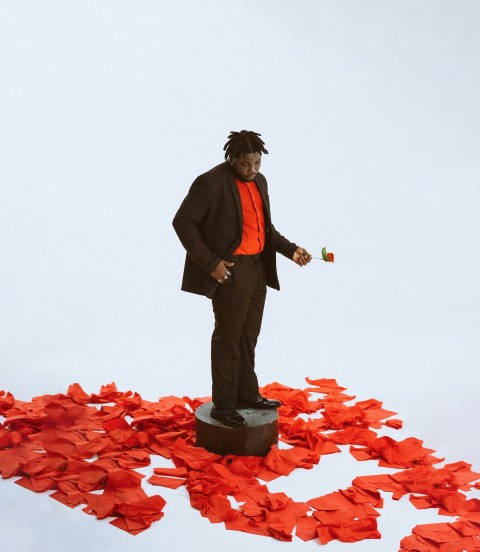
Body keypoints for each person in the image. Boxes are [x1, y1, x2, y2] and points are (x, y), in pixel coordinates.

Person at [173, 130, 311, 427]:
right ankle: (223, 405)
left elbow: (264, 228)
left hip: (258, 269)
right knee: (228, 340)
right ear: (232, 158)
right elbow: (183, 222)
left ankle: (247, 394)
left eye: (257, 163)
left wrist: (291, 250)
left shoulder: (260, 182)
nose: (252, 170)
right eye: (246, 164)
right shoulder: (210, 182)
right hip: (231, 271)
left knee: (248, 337)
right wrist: (211, 263)